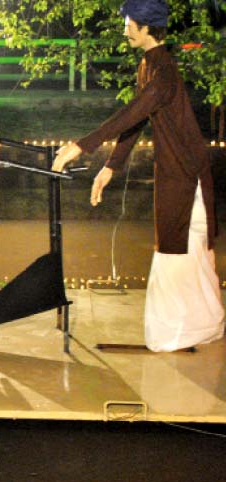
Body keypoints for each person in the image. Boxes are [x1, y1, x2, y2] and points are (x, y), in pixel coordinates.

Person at [52, 0, 224, 352]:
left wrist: (82, 146)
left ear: (146, 27)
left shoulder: (163, 72)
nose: (125, 30)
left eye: (129, 24)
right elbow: (135, 122)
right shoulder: (149, 65)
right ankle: (196, 326)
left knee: (178, 250)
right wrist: (110, 166)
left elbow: (133, 113)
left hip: (187, 174)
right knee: (180, 248)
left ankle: (182, 332)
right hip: (177, 170)